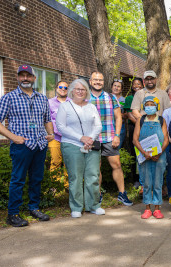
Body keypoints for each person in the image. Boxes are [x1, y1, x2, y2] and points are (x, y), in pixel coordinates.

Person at [0, 64, 54, 227]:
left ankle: (33, 208)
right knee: (18, 180)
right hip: (22, 146)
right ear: (18, 78)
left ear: (34, 78)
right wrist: (13, 137)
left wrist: (51, 134)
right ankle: (12, 214)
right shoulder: (9, 98)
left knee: (36, 179)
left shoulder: (42, 98)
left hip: (40, 145)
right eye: (22, 75)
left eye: (28, 75)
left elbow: (47, 119)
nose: (25, 78)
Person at [56, 79, 103, 218]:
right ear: (72, 91)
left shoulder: (91, 107)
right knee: (75, 177)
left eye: (83, 89)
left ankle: (93, 205)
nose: (80, 92)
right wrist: (81, 138)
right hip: (72, 144)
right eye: (77, 89)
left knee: (93, 176)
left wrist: (90, 139)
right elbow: (60, 127)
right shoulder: (65, 107)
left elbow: (98, 125)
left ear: (87, 92)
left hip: (91, 145)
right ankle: (76, 207)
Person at [89, 72, 133, 206]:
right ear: (90, 81)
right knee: (96, 168)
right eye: (95, 80)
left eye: (100, 80)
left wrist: (117, 135)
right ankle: (98, 194)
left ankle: (122, 193)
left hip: (109, 137)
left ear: (103, 82)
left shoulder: (111, 97)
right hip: (92, 139)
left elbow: (119, 117)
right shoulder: (84, 97)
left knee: (116, 165)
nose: (98, 82)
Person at [133, 96, 169, 219]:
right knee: (147, 181)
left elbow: (166, 139)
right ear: (143, 106)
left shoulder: (162, 120)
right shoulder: (140, 120)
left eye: (152, 104)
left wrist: (159, 153)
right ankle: (147, 208)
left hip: (160, 156)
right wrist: (144, 153)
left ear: (157, 106)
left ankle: (157, 208)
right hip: (144, 156)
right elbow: (135, 139)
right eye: (147, 105)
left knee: (158, 182)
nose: (149, 107)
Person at [48, 80, 69, 188]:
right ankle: (54, 186)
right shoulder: (50, 102)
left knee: (68, 163)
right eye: (61, 87)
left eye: (65, 88)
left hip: (69, 138)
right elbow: (46, 119)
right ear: (56, 88)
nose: (63, 89)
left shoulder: (72, 102)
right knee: (55, 161)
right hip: (54, 137)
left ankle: (68, 186)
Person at [123, 77, 144, 186]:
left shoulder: (146, 97)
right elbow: (130, 115)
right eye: (135, 84)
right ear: (132, 86)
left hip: (145, 128)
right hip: (134, 127)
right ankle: (135, 179)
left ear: (142, 85)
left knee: (145, 150)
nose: (137, 86)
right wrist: (140, 125)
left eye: (139, 84)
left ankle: (144, 177)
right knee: (134, 152)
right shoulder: (129, 98)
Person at [111, 78, 126, 150]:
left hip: (120, 127)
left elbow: (127, 114)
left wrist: (119, 115)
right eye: (114, 86)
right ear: (111, 87)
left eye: (118, 86)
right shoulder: (106, 97)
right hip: (108, 126)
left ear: (121, 89)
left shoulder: (123, 100)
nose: (116, 88)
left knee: (117, 148)